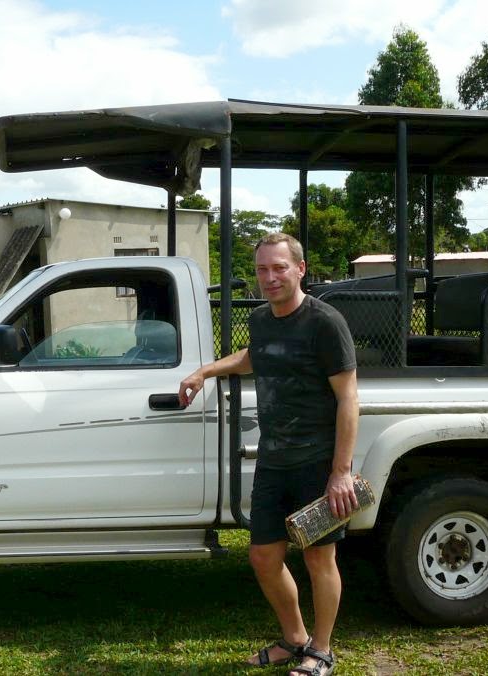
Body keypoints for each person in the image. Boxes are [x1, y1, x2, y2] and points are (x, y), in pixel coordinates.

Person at [179, 233, 358, 676]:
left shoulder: (325, 322)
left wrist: (340, 472)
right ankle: (295, 639)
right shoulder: (261, 319)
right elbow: (253, 356)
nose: (270, 277)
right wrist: (205, 371)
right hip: (273, 461)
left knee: (319, 558)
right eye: (262, 269)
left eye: (279, 268)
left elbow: (348, 399)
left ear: (301, 269)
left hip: (317, 463)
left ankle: (322, 651)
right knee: (263, 557)